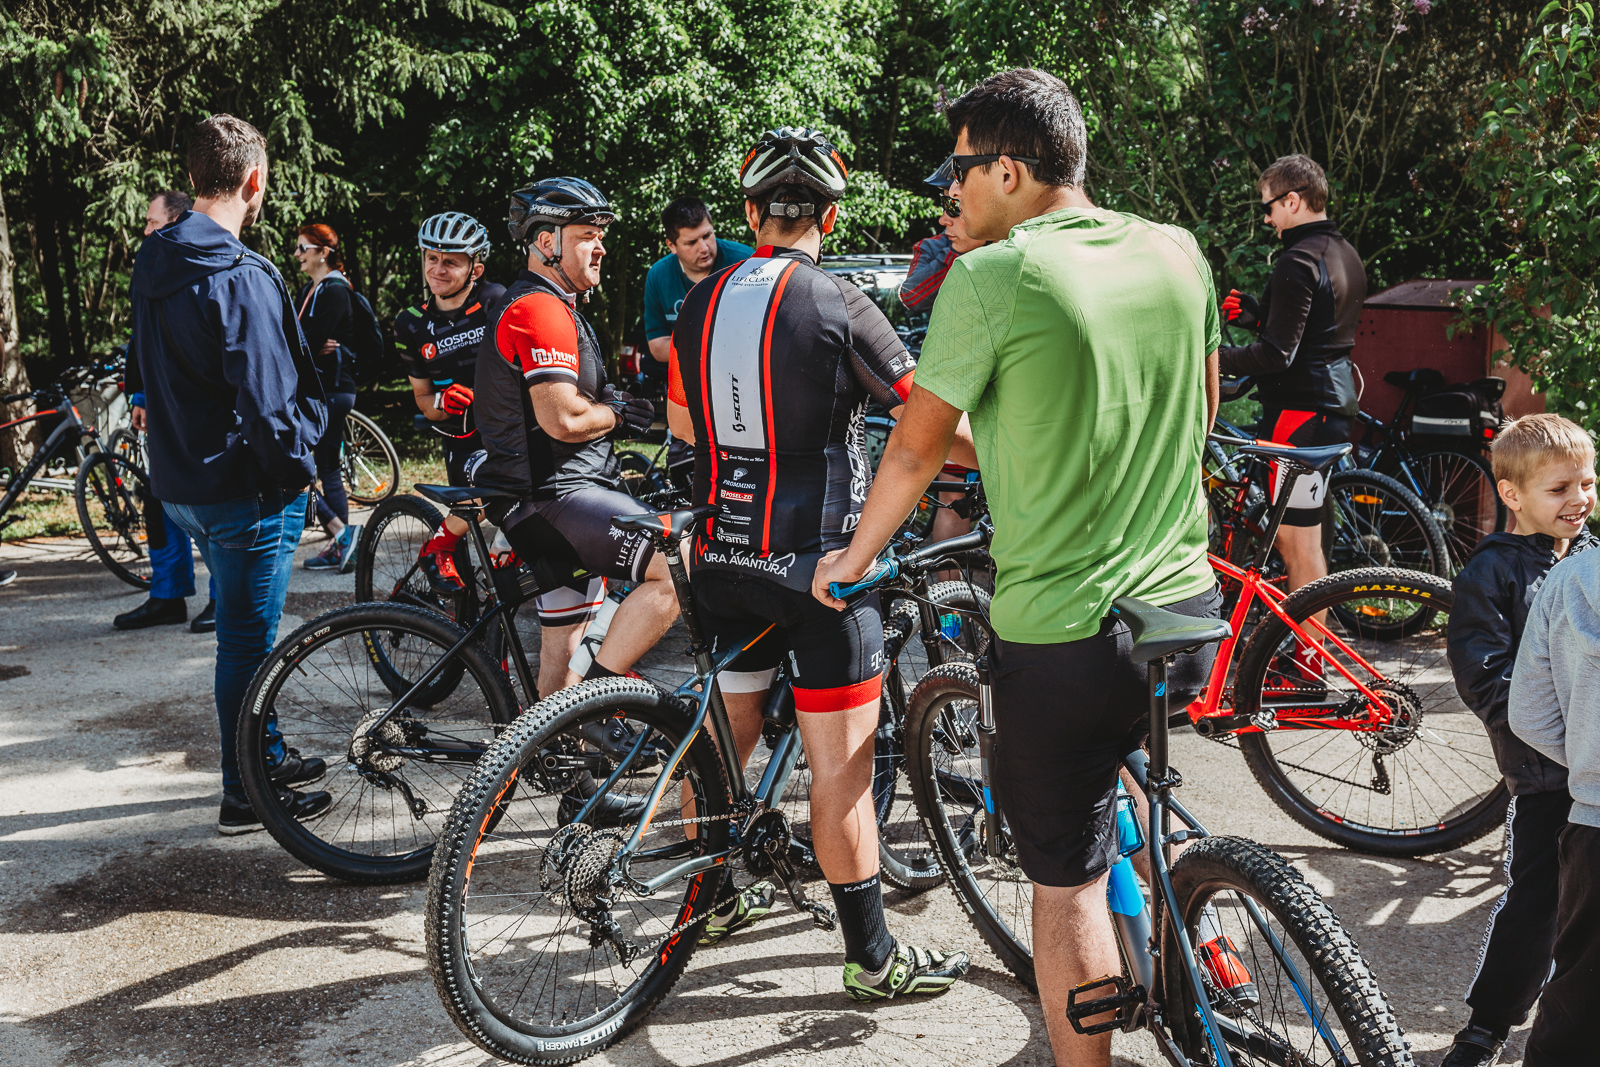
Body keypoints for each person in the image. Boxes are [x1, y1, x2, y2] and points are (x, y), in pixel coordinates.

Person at [812, 71, 1233, 1065]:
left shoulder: (994, 276)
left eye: (956, 172)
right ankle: (1207, 932)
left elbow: (915, 448)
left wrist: (852, 559)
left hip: (1065, 636)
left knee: (1065, 878)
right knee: (1135, 771)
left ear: (1009, 170)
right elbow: (1199, 410)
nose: (946, 194)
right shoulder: (1176, 249)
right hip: (1187, 607)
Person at [666, 126, 972, 1000]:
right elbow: (929, 428)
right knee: (841, 775)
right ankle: (873, 959)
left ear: (750, 213)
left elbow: (682, 423)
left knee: (724, 744)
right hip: (818, 571)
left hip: (719, 556)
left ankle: (714, 897)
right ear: (829, 218)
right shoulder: (840, 302)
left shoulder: (699, 300)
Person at [129, 114, 332, 835]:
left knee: (245, 640)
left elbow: (146, 366)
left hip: (181, 485)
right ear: (255, 180)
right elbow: (271, 409)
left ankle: (262, 755)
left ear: (192, 178)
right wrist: (304, 473)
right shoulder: (241, 275)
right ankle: (245, 793)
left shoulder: (153, 259)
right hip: (244, 492)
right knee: (247, 647)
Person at [469, 176, 677, 705]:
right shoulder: (538, 309)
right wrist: (615, 414)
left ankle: (559, 747)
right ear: (547, 242)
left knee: (562, 652)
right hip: (555, 498)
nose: (600, 247)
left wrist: (609, 408)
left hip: (544, 499)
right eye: (587, 235)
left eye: (601, 235)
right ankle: (594, 697)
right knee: (677, 568)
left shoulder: (552, 305)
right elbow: (562, 419)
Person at [1444, 414, 1597, 1067]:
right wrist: (1558, 734)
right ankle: (1488, 1025)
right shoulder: (1492, 571)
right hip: (1545, 773)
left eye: (1587, 483)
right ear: (1512, 494)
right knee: (1538, 899)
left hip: (1593, 764)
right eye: (1559, 488)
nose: (1579, 499)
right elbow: (1484, 676)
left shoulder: (1589, 559)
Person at [1217, 154, 1365, 678]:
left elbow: (1277, 355)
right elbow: (1317, 331)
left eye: (1270, 207)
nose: (1267, 219)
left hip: (1298, 417)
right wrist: (1260, 314)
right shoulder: (1343, 253)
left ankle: (1309, 665)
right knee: (1303, 539)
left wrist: (1210, 358)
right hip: (1327, 407)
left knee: (1298, 544)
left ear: (1294, 200)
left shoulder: (1296, 260)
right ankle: (1307, 656)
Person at [1509, 469, 1600, 1067]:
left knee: (1578, 999)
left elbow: (1530, 714)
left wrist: (1588, 765)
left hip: (1593, 821)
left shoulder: (1571, 578)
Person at [115, 188, 217, 632]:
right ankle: (168, 594)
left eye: (152, 222)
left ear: (177, 221)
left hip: (204, 410)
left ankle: (224, 598)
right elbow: (141, 336)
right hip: (161, 406)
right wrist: (139, 396)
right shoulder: (149, 268)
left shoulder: (213, 262)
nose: (145, 230)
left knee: (211, 502)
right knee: (159, 498)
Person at [395, 213, 505, 592]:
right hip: (464, 441)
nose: (437, 269)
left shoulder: (496, 302)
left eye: (451, 262)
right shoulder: (410, 324)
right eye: (432, 258)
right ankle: (437, 548)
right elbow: (424, 400)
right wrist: (444, 400)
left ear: (476, 269)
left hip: (508, 430)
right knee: (495, 483)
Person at [898, 162, 989, 554]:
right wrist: (959, 254)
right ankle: (950, 588)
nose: (945, 218)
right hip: (951, 380)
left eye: (955, 206)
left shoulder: (1004, 250)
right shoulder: (935, 247)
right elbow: (912, 296)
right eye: (948, 204)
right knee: (952, 493)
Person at [293, 223, 362, 572]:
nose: (297, 255)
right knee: (325, 468)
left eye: (303, 248)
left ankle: (342, 536)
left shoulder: (334, 291)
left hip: (331, 390)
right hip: (323, 390)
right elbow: (299, 339)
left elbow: (303, 341)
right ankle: (342, 542)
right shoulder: (311, 290)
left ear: (323, 253)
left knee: (295, 466)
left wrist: (304, 343)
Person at [642, 197, 752, 364]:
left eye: (707, 236)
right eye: (691, 242)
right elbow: (658, 345)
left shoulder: (746, 262)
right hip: (685, 375)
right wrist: (710, 349)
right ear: (671, 246)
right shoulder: (658, 276)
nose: (704, 248)